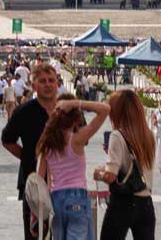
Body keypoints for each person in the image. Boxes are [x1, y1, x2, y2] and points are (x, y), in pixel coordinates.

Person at [1, 63, 63, 240]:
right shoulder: (23, 112)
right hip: (34, 185)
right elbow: (7, 140)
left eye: (51, 80)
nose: (48, 84)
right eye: (42, 81)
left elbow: (83, 140)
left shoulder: (68, 110)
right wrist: (28, 157)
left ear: (57, 83)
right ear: (34, 85)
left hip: (65, 183)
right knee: (36, 235)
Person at [35, 99, 108, 240]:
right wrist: (76, 103)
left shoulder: (46, 144)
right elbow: (105, 109)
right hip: (77, 196)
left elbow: (39, 181)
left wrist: (36, 213)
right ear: (75, 120)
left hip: (55, 199)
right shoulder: (77, 139)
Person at [94, 90, 153, 240]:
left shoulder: (117, 135)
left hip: (123, 203)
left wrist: (99, 173)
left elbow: (110, 176)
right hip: (146, 202)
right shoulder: (148, 135)